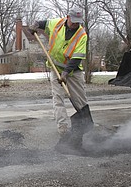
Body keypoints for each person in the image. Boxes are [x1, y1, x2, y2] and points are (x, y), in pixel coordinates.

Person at [29, 7, 92, 138]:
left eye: (78, 22)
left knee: (79, 100)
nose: (75, 24)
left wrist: (66, 73)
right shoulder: (57, 24)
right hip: (56, 69)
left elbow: (77, 58)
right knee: (58, 98)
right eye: (73, 21)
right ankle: (63, 129)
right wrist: (35, 25)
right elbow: (42, 23)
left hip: (73, 71)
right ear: (68, 17)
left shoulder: (82, 35)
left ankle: (86, 125)